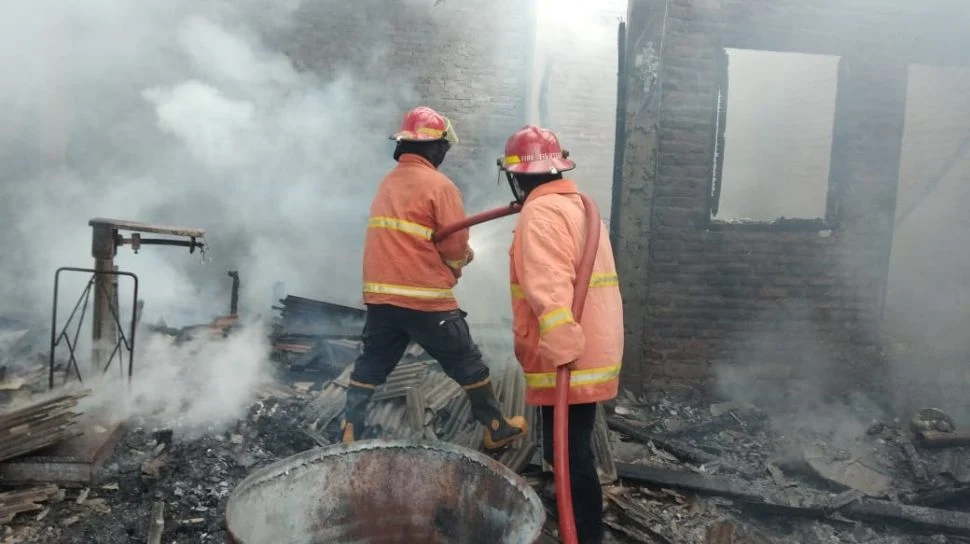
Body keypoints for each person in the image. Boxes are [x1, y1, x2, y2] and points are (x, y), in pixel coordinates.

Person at [341, 106, 528, 450]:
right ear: (435, 147)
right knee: (467, 362)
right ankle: (496, 427)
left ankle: (349, 427)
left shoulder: (387, 183)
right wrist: (458, 264)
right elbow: (455, 245)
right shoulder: (440, 186)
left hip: (382, 300)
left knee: (371, 364)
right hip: (425, 300)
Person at [498, 125, 624, 544]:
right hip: (591, 351)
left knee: (569, 458)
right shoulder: (579, 207)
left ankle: (584, 536)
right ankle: (584, 529)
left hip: (568, 357)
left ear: (517, 175)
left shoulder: (541, 213)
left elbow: (549, 287)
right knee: (573, 452)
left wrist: (562, 348)